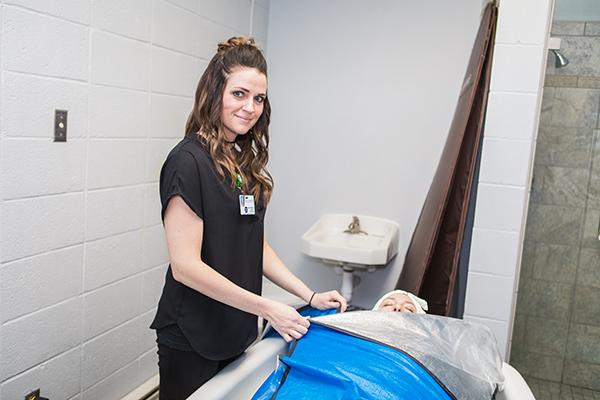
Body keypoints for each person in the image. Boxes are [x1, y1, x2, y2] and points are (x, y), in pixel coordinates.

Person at [150, 36, 347, 400]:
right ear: (214, 93)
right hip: (193, 335)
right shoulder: (187, 161)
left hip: (235, 327)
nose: (250, 107)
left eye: (258, 98)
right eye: (239, 94)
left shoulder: (240, 161)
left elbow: (254, 244)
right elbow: (184, 266)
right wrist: (269, 307)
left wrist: (309, 294)